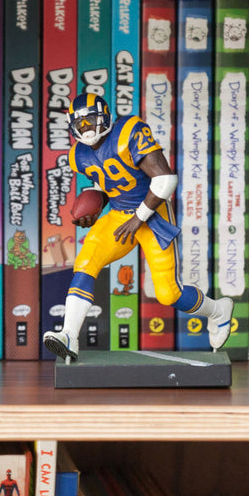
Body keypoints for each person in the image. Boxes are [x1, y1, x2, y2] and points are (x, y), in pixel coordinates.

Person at [41, 93, 233, 361]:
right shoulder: (79, 155)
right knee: (86, 260)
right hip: (120, 216)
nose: (86, 128)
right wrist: (95, 205)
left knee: (168, 293)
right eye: (80, 124)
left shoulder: (129, 131)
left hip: (152, 215)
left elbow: (165, 180)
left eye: (91, 120)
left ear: (105, 116)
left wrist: (139, 217)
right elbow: (107, 183)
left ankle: (217, 310)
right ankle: (69, 336)